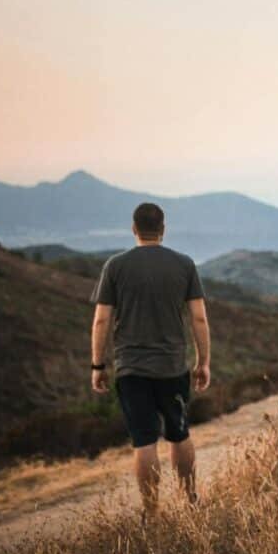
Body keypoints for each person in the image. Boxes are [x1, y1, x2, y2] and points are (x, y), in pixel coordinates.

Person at [89, 202, 211, 515]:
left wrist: (98, 365)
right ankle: (189, 501)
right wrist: (203, 362)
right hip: (172, 367)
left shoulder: (115, 266)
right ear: (163, 229)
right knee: (179, 434)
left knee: (144, 441)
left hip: (131, 369)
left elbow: (101, 320)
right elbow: (199, 318)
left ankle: (151, 511)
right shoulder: (184, 264)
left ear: (134, 229)